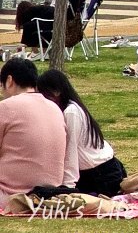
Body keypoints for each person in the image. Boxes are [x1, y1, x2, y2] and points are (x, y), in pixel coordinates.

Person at [37, 68, 125, 197]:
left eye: (47, 96)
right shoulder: (68, 109)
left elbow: (71, 149)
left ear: (57, 92)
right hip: (98, 171)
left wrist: (68, 187)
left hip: (102, 175)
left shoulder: (71, 112)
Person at [0, 58, 67, 196]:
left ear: (9, 80)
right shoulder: (54, 107)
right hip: (50, 189)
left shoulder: (6, 107)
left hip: (11, 191)